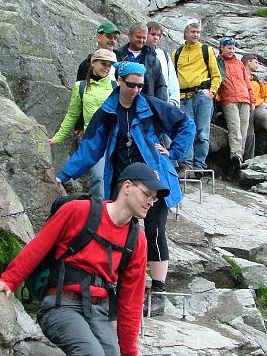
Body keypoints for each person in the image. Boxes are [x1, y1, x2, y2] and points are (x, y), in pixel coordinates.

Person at [0, 162, 169, 356]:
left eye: (154, 198)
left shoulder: (138, 239)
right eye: (147, 194)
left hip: (99, 313)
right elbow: (39, 246)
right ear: (127, 187)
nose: (150, 202)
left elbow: (131, 298)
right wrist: (9, 280)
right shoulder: (78, 211)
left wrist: (128, 345)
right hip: (61, 306)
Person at [56, 62, 194, 317]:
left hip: (155, 179)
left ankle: (158, 293)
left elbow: (186, 124)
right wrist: (62, 175)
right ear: (119, 81)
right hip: (123, 183)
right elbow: (90, 148)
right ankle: (116, 287)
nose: (136, 90)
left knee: (154, 231)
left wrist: (173, 152)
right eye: (131, 84)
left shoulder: (151, 105)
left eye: (140, 85)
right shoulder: (107, 112)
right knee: (118, 233)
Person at [49, 49, 117, 198]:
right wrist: (57, 138)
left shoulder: (115, 86)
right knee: (98, 177)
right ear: (93, 62)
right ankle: (98, 209)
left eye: (110, 65)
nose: (107, 68)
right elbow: (72, 115)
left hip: (114, 138)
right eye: (103, 64)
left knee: (113, 179)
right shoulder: (80, 87)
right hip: (93, 140)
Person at [172, 19, 222, 176]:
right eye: (193, 32)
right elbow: (172, 76)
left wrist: (212, 92)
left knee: (202, 132)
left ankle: (199, 165)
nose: (196, 35)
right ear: (185, 33)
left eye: (198, 32)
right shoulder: (177, 53)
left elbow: (216, 75)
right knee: (186, 131)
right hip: (182, 97)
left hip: (202, 95)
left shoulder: (206, 50)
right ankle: (186, 164)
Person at [217, 38, 255, 172]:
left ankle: (239, 158)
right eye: (229, 48)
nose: (231, 50)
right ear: (222, 48)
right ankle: (235, 155)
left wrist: (252, 99)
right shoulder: (218, 62)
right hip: (229, 99)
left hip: (244, 99)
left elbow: (247, 82)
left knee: (243, 129)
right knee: (234, 127)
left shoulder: (239, 63)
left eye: (233, 48)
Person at [115, 23, 168, 102]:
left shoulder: (153, 59)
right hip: (121, 102)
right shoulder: (117, 55)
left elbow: (161, 85)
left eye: (144, 38)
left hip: (146, 104)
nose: (141, 40)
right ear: (130, 35)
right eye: (138, 37)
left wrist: (160, 105)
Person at [146, 21, 180, 107]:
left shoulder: (164, 55)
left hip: (163, 101)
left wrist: (174, 101)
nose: (156, 37)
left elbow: (172, 79)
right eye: (153, 34)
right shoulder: (139, 53)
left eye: (158, 35)